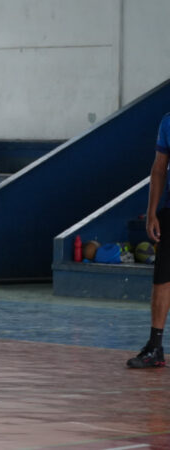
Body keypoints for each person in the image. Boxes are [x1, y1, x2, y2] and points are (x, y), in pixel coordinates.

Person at [127, 112, 170, 368]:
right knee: (162, 278)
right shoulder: (167, 121)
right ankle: (155, 347)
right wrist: (152, 212)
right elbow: (158, 168)